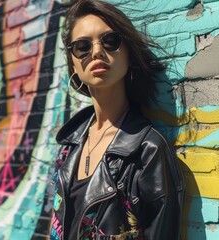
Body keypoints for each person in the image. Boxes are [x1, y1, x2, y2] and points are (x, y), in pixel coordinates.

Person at [50, 0, 185, 239]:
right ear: (73, 63)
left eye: (110, 41)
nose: (97, 51)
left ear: (129, 54)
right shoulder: (68, 146)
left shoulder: (147, 150)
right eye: (82, 46)